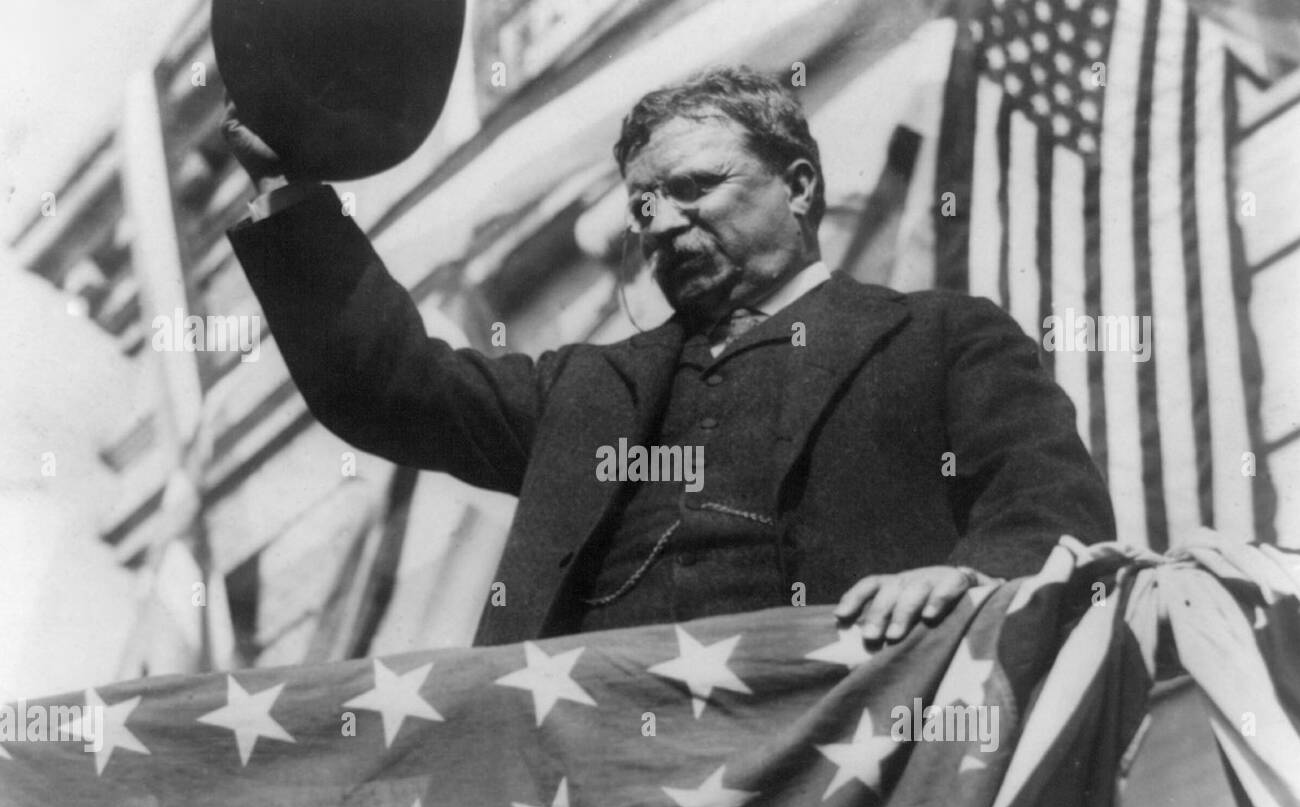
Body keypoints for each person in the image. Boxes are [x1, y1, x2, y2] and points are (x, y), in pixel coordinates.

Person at [223, 65, 1115, 648]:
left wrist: (963, 583)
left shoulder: (944, 337)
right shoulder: (584, 390)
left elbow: (1049, 507)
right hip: (591, 787)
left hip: (835, 755)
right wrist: (284, 195)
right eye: (644, 206)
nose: (665, 223)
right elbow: (391, 387)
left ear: (799, 186)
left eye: (696, 188)